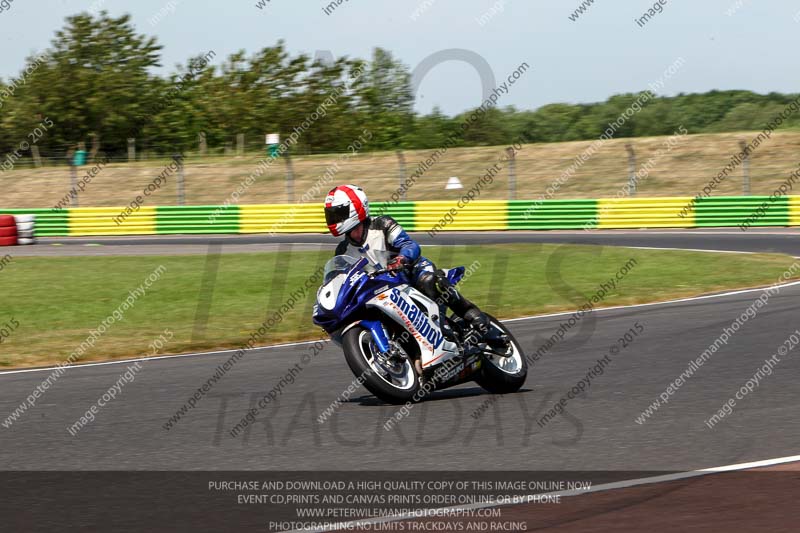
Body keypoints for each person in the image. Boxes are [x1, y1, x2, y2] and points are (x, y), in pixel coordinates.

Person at [324, 184, 490, 340]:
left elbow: (409, 245)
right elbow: (342, 277)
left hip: (410, 272)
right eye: (331, 215)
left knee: (432, 281)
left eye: (338, 214)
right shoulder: (343, 250)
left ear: (356, 208)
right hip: (380, 290)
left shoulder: (382, 224)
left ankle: (475, 318)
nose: (334, 220)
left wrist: (401, 259)